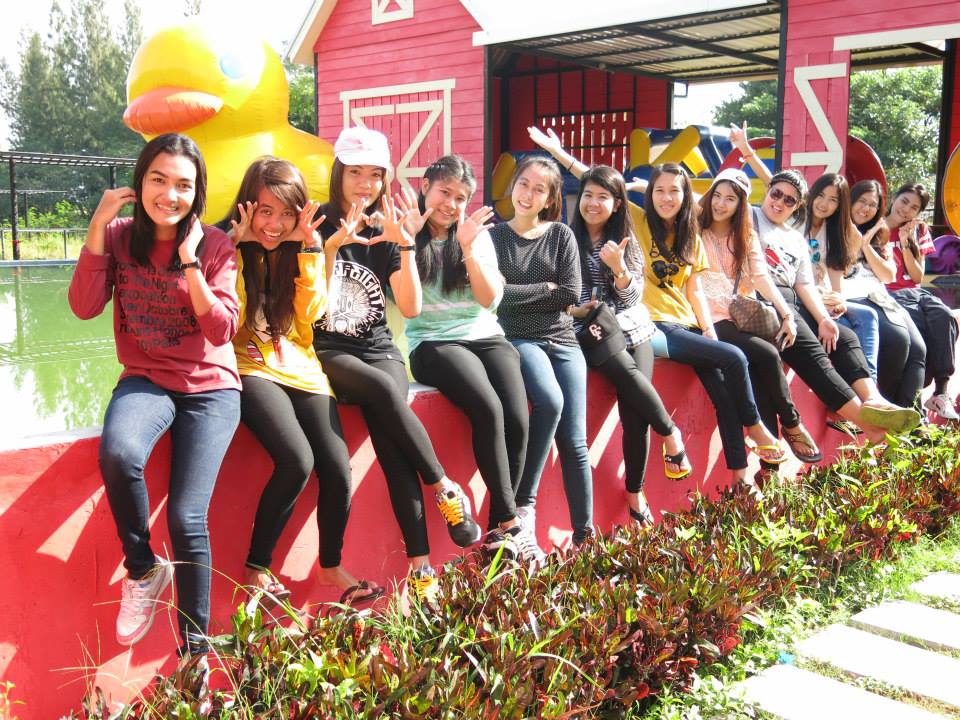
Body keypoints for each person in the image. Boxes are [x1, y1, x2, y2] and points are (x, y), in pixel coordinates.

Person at [528, 127, 787, 490]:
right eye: (659, 190)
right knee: (735, 358)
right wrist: (559, 153)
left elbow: (694, 289)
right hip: (655, 324)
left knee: (724, 392)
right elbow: (601, 187)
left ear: (685, 195)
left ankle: (739, 479)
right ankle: (757, 429)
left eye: (674, 191)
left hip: (687, 325)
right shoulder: (639, 222)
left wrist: (707, 329)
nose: (666, 198)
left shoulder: (692, 233)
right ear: (649, 194)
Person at [68, 133, 241, 658]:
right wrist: (97, 228)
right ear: (139, 182)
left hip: (210, 388)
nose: (170, 194)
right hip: (146, 378)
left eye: (183, 185)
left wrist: (190, 262)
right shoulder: (119, 237)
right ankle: (143, 569)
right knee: (119, 453)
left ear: (198, 191)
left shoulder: (215, 245)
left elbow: (221, 330)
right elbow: (83, 307)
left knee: (187, 519)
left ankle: (195, 655)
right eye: (158, 180)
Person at [313, 127, 480, 605]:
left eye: (374, 174)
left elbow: (409, 308)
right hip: (330, 350)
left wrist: (405, 243)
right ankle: (445, 487)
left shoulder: (385, 227)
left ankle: (420, 568)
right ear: (338, 172)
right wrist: (328, 246)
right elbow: (311, 305)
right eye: (355, 172)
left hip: (379, 349)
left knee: (392, 445)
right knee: (387, 394)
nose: (364, 183)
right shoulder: (315, 221)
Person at [221, 157, 383, 611]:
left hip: (301, 364)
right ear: (247, 206)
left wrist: (311, 249)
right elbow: (231, 320)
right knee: (296, 460)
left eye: (286, 214)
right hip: (249, 364)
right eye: (265, 212)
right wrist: (235, 249)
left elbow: (312, 314)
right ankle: (257, 568)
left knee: (337, 467)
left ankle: (330, 565)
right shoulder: (224, 242)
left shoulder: (300, 245)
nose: (274, 224)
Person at [730, 126, 922, 438]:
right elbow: (757, 189)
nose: (781, 202)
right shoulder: (758, 217)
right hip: (765, 298)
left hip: (801, 297)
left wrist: (827, 313)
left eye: (833, 200)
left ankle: (873, 400)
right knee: (814, 351)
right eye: (820, 196)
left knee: (844, 336)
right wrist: (745, 149)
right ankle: (867, 426)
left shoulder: (800, 236)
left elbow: (809, 282)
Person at [398, 155, 543, 562]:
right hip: (432, 343)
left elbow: (490, 300)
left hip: (484, 335)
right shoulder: (406, 233)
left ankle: (499, 526)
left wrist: (467, 247)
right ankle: (511, 525)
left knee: (518, 417)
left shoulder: (475, 236)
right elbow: (405, 304)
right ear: (425, 187)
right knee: (488, 408)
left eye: (461, 197)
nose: (451, 204)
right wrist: (406, 241)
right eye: (444, 192)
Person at [566, 164, 691, 526]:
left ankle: (635, 492)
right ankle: (671, 433)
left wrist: (619, 270)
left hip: (633, 328)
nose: (593, 203)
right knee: (623, 367)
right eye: (588, 195)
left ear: (617, 203)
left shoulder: (626, 240)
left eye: (602, 197)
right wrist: (578, 307)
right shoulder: (565, 238)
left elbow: (633, 299)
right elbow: (563, 297)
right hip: (591, 329)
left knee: (635, 411)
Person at [490, 155, 595, 545]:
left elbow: (570, 294)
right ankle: (524, 506)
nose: (528, 194)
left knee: (575, 441)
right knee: (550, 402)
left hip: (564, 341)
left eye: (539, 189)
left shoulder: (560, 235)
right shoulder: (494, 238)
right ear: (513, 185)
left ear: (550, 198)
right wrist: (544, 289)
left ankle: (585, 536)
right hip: (518, 338)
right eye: (523, 184)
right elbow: (494, 297)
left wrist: (519, 292)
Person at [698, 168, 822, 481]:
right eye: (717, 195)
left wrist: (787, 314)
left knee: (762, 368)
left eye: (730, 199)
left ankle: (769, 470)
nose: (721, 204)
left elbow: (761, 277)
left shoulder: (746, 235)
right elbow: (671, 198)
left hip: (740, 314)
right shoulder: (695, 228)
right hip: (708, 316)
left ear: (741, 204)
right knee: (766, 355)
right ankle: (792, 424)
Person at [879, 182, 959, 420]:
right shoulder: (873, 227)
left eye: (914, 207)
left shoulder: (918, 230)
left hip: (915, 292)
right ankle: (912, 402)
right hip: (888, 293)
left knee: (945, 316)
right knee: (918, 331)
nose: (906, 209)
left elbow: (917, 277)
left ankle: (941, 393)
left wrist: (905, 242)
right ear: (894, 198)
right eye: (904, 201)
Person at [803, 174, 882, 380]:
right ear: (812, 194)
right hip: (801, 295)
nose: (824, 204)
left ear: (840, 206)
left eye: (833, 200)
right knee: (846, 331)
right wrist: (748, 155)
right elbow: (774, 183)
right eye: (821, 195)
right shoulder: (796, 219)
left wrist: (838, 300)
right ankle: (857, 385)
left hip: (824, 296)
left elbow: (836, 280)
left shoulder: (834, 232)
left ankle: (870, 382)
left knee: (868, 315)